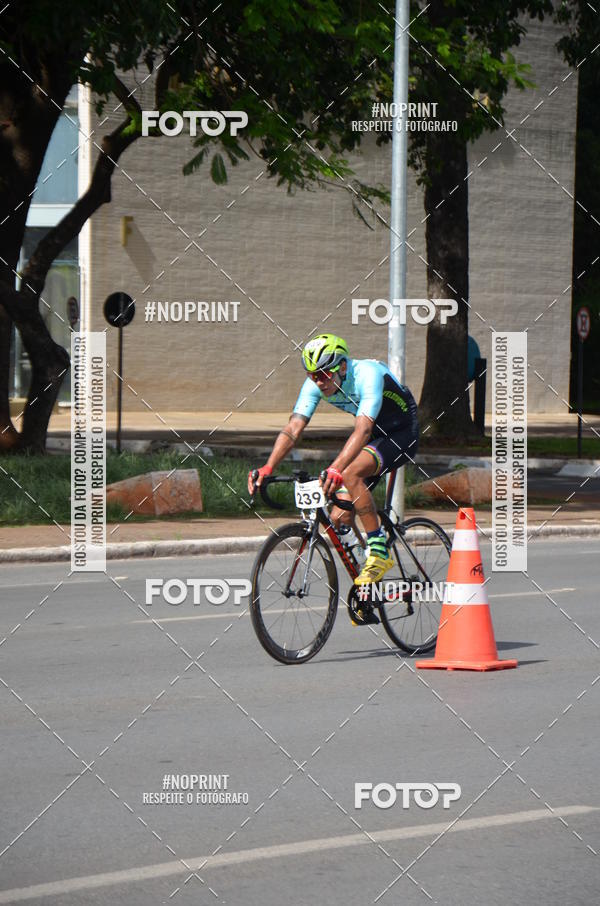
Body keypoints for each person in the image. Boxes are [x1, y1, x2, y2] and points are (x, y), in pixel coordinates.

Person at [247, 333, 419, 595]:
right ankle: (371, 582)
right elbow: (294, 428)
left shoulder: (368, 374)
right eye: (312, 375)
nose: (318, 381)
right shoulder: (315, 385)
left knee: (350, 473)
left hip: (401, 432)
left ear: (341, 366)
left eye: (323, 374)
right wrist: (268, 467)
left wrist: (336, 468)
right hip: (375, 436)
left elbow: (361, 431)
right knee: (339, 516)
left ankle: (379, 551)